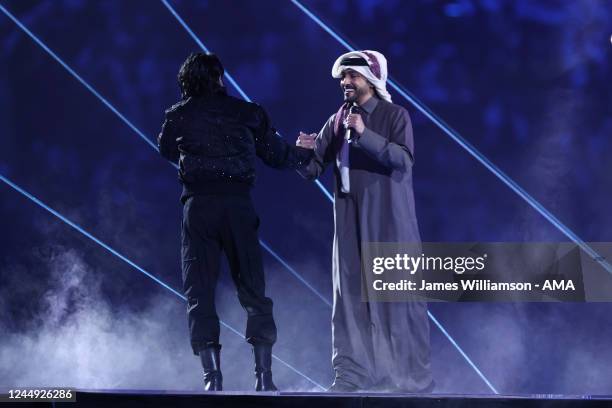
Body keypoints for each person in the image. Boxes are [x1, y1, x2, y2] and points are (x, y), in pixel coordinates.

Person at [158, 52, 312, 391]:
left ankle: (212, 380)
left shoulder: (178, 116)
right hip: (237, 207)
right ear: (219, 78)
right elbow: (277, 156)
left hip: (198, 208)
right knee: (253, 289)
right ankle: (264, 378)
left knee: (199, 291)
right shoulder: (247, 113)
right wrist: (306, 152)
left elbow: (166, 150)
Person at [296, 50, 433, 392]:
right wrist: (301, 152)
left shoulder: (394, 115)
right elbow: (313, 168)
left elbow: (403, 159)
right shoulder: (338, 117)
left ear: (371, 79)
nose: (345, 82)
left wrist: (364, 134)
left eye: (352, 76)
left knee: (395, 297)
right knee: (349, 299)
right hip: (347, 219)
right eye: (344, 77)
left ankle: (405, 378)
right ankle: (352, 375)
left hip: (388, 220)